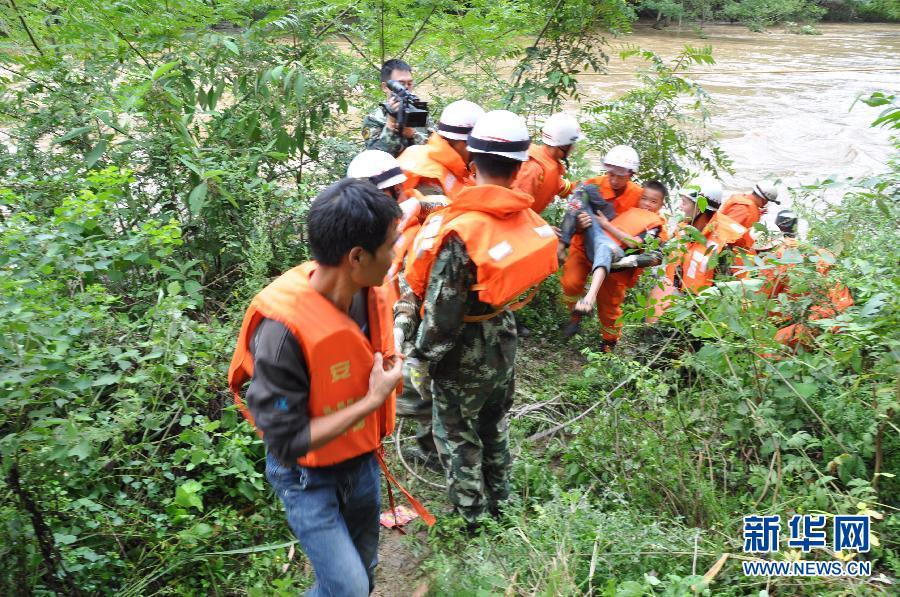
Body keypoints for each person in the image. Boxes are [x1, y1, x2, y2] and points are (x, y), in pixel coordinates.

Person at [227, 179, 410, 596]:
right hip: (308, 479)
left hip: (360, 460)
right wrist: (373, 400)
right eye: (391, 245)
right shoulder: (282, 335)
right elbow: (288, 441)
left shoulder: (371, 289)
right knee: (347, 587)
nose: (396, 253)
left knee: (361, 576)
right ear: (357, 257)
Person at [402, 110, 558, 525]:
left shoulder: (461, 231)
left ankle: (473, 522)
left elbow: (442, 314)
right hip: (503, 334)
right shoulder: (525, 218)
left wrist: (421, 357)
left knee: (457, 434)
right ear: (522, 164)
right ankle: (503, 504)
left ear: (471, 158)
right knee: (494, 423)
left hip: (463, 347)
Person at [559, 145, 643, 350]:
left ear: (631, 174)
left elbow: (649, 226)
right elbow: (573, 211)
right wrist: (578, 226)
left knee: (610, 305)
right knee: (570, 284)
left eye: (620, 176)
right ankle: (575, 315)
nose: (614, 180)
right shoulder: (591, 186)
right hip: (584, 247)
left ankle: (608, 344)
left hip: (615, 259)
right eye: (611, 174)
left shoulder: (639, 197)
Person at [559, 181, 668, 319]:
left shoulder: (654, 225)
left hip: (613, 251)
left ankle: (589, 298)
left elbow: (634, 243)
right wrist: (581, 224)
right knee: (585, 190)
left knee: (605, 250)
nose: (647, 204)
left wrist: (606, 224)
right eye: (644, 199)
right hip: (596, 237)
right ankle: (562, 245)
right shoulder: (631, 209)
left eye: (653, 201)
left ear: (660, 205)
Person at [397, 99, 484, 198]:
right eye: (476, 147)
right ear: (462, 142)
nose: (478, 153)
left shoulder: (423, 153)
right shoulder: (429, 178)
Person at [511, 112, 582, 214]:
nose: (574, 148)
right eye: (573, 144)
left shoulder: (549, 162)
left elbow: (557, 186)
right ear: (565, 145)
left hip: (529, 223)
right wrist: (540, 228)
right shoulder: (534, 168)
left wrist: (586, 185)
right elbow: (517, 208)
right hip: (519, 225)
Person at [362, 59, 431, 157]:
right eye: (401, 84)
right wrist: (391, 122)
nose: (406, 88)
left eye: (410, 84)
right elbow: (375, 158)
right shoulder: (374, 119)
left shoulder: (419, 111)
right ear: (385, 87)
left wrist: (412, 135)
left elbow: (435, 148)